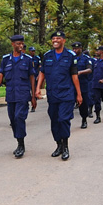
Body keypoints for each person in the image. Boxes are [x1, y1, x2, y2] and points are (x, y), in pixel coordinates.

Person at [36, 31, 82, 161]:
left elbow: (74, 76)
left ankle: (66, 147)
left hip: (66, 93)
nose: (55, 40)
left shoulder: (70, 56)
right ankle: (59, 145)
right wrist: (38, 88)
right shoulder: (47, 56)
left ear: (64, 41)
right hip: (52, 94)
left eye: (58, 38)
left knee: (63, 119)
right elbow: (42, 73)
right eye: (53, 38)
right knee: (54, 120)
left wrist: (79, 94)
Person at [0, 35, 36, 158]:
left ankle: (21, 145)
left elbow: (32, 77)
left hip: (23, 94)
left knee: (19, 117)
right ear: (12, 44)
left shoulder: (27, 59)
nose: (21, 46)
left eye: (22, 43)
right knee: (12, 119)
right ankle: (18, 141)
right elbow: (1, 75)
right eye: (18, 44)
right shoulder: (6, 59)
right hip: (11, 94)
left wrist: (33, 96)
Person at [71, 42, 92, 129]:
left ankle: (84, 119)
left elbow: (90, 69)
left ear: (81, 48)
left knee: (83, 104)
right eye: (74, 49)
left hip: (82, 84)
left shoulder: (86, 58)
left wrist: (80, 72)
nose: (75, 50)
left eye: (77, 49)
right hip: (71, 85)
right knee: (68, 102)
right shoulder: (70, 57)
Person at [29, 46, 41, 112]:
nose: (33, 52)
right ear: (29, 51)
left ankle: (33, 105)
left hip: (35, 77)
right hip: (28, 78)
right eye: (32, 51)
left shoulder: (37, 58)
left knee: (34, 91)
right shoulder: (27, 58)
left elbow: (40, 67)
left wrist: (39, 75)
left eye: (34, 51)